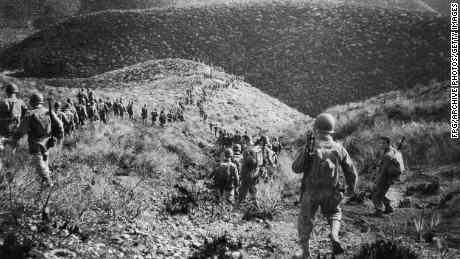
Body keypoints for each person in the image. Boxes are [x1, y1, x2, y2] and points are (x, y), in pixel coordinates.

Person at [292, 113, 357, 258]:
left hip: (311, 192)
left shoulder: (310, 147)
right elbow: (351, 172)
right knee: (334, 213)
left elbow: (296, 168)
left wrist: (306, 151)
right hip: (332, 192)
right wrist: (351, 189)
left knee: (305, 219)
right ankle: (334, 235)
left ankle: (305, 251)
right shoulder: (339, 148)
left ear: (316, 129)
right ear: (331, 130)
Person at [12, 93, 64, 189]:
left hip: (35, 144)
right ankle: (45, 187)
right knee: (45, 162)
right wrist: (58, 138)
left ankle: (49, 186)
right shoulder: (49, 112)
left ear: (32, 102)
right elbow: (60, 125)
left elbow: (21, 131)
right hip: (48, 143)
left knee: (40, 167)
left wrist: (13, 139)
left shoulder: (30, 114)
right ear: (41, 101)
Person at [371, 137, 405, 216]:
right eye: (381, 143)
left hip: (386, 177)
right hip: (391, 177)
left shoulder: (387, 155)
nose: (381, 145)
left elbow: (383, 171)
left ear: (388, 143)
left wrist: (377, 180)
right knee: (381, 193)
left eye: (383, 143)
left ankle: (378, 211)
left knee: (376, 194)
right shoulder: (393, 150)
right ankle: (389, 208)